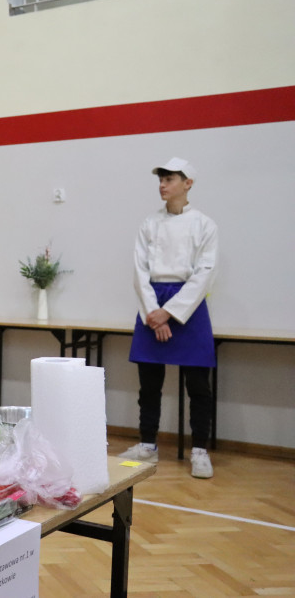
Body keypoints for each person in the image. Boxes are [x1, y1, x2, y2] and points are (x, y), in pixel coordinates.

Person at [120, 157, 218, 479]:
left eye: (170, 179)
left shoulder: (205, 224)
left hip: (188, 306)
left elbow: (204, 273)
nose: (163, 184)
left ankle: (200, 451)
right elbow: (139, 270)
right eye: (161, 179)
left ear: (188, 183)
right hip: (152, 304)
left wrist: (170, 313)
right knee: (149, 383)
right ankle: (147, 444)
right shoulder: (149, 224)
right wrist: (153, 313)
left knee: (198, 384)